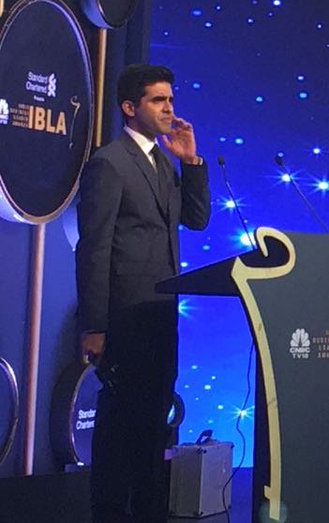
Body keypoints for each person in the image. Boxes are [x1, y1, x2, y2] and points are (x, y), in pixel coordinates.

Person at [76, 63, 211, 523]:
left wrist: (191, 161)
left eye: (171, 99)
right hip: (124, 316)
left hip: (161, 313)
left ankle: (149, 512)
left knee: (155, 424)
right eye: (158, 100)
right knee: (119, 430)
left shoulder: (163, 161)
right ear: (130, 108)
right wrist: (95, 325)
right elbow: (93, 248)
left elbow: (196, 220)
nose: (169, 108)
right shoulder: (110, 162)